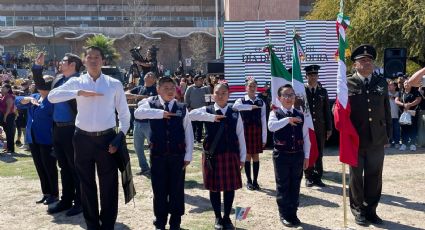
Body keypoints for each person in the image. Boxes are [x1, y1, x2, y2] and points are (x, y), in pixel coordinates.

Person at [48, 46, 130, 230]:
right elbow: (52, 97)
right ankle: (92, 224)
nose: (93, 60)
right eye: (90, 57)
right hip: (82, 139)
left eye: (97, 57)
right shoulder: (77, 82)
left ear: (103, 60)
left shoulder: (113, 83)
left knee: (108, 184)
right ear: (84, 60)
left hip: (106, 139)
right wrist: (78, 93)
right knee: (85, 184)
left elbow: (124, 115)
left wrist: (120, 137)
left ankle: (107, 224)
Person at [134, 77, 193, 230]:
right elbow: (138, 114)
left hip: (177, 155)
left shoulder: (181, 107)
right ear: (158, 89)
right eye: (165, 88)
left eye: (172, 88)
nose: (169, 91)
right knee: (159, 189)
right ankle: (160, 221)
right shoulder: (150, 104)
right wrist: (160, 113)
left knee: (177, 189)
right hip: (158, 155)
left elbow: (188, 133)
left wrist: (188, 155)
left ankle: (175, 222)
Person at [32, 52, 84, 216]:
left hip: (72, 129)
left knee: (76, 167)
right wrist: (37, 68)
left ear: (73, 64)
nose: (60, 63)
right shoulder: (57, 79)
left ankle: (80, 202)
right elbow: (42, 88)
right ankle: (66, 200)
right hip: (57, 129)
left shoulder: (81, 80)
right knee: (63, 167)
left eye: (63, 61)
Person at [189, 83, 246, 230]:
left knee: (229, 188)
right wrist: (212, 117)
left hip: (230, 154)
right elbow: (191, 115)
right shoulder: (207, 110)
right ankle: (217, 217)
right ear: (212, 94)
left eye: (223, 93)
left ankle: (227, 218)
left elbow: (241, 136)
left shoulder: (235, 112)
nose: (220, 96)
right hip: (212, 156)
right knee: (214, 188)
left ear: (228, 95)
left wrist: (243, 157)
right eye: (217, 93)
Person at [347, 44, 392, 226]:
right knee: (356, 177)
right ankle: (358, 211)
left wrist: (387, 135)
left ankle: (371, 210)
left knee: (375, 176)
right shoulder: (347, 83)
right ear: (355, 65)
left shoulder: (380, 82)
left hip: (377, 138)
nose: (367, 63)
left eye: (369, 60)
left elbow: (386, 109)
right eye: (362, 61)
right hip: (355, 139)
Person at [268, 84, 310, 228]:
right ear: (279, 98)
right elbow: (271, 127)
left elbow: (306, 137)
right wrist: (287, 120)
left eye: (291, 95)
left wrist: (307, 156)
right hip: (282, 155)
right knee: (283, 185)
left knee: (295, 185)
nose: (288, 98)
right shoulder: (275, 113)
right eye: (285, 95)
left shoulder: (300, 114)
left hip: (297, 155)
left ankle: (293, 213)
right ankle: (284, 214)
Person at [16, 72, 58, 206]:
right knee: (40, 167)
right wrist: (28, 99)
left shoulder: (53, 100)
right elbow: (18, 102)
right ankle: (46, 193)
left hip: (47, 139)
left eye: (43, 82)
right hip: (32, 138)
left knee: (49, 167)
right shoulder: (35, 96)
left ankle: (54, 194)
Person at [233, 79, 266, 191]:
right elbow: (235, 108)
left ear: (256, 87)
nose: (252, 88)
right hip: (245, 131)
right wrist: (250, 107)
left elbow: (263, 120)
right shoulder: (240, 100)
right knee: (247, 155)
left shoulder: (261, 102)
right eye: (250, 86)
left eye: (254, 86)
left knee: (255, 156)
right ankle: (248, 181)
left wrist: (264, 137)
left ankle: (255, 181)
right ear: (246, 87)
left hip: (256, 131)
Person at [303, 65, 332, 187]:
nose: (313, 77)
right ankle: (308, 177)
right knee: (308, 152)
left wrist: (329, 128)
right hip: (306, 127)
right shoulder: (302, 90)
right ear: (306, 76)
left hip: (320, 127)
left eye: (315, 75)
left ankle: (318, 177)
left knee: (319, 153)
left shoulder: (323, 91)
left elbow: (327, 111)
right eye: (311, 75)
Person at [126, 71, 157, 176]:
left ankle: (155, 167)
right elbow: (126, 94)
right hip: (137, 123)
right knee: (138, 147)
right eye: (147, 74)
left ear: (154, 80)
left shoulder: (156, 89)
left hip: (150, 123)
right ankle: (144, 168)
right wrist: (139, 97)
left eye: (151, 75)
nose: (148, 75)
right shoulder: (139, 88)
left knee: (153, 147)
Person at [395, 80, 421, 151]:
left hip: (413, 113)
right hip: (404, 113)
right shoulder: (401, 92)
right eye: (405, 83)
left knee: (413, 128)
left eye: (408, 83)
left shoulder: (415, 92)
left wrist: (410, 104)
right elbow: (396, 100)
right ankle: (404, 144)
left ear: (411, 84)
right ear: (403, 84)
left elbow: (418, 99)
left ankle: (412, 144)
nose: (406, 84)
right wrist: (404, 104)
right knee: (404, 128)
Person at [184, 74, 210, 143]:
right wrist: (188, 107)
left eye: (202, 79)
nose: (201, 81)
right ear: (195, 81)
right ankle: (192, 139)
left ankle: (198, 139)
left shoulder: (205, 88)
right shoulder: (190, 88)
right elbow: (186, 98)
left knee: (200, 126)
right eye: (200, 80)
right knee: (193, 126)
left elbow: (209, 99)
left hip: (202, 110)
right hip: (192, 109)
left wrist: (208, 107)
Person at [0, 84, 16, 154]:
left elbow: (9, 108)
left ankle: (11, 149)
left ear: (8, 89)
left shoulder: (9, 96)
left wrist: (5, 117)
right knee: (7, 132)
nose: (1, 88)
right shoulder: (4, 96)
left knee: (10, 133)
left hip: (9, 116)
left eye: (3, 87)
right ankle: (8, 148)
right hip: (5, 116)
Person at [388, 80, 401, 148]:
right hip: (388, 115)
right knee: (389, 129)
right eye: (389, 85)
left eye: (391, 85)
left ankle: (397, 142)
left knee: (396, 129)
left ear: (395, 86)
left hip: (397, 115)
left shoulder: (399, 93)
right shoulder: (386, 93)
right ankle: (390, 142)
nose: (389, 86)